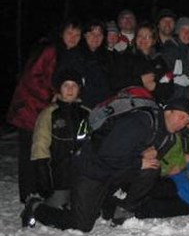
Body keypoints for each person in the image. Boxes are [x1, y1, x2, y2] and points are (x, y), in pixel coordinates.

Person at [21, 97, 189, 231]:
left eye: (186, 121)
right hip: (91, 170)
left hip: (113, 173)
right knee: (81, 225)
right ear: (168, 111)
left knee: (152, 167)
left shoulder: (168, 137)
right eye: (181, 116)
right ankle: (36, 207)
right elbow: (108, 155)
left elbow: (143, 160)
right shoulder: (141, 121)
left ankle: (120, 209)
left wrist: (142, 159)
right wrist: (139, 161)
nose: (182, 123)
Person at [7, 19, 82, 203]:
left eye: (77, 35)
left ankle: (38, 191)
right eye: (70, 33)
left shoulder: (64, 53)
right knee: (30, 153)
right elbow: (31, 77)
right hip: (29, 109)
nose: (73, 38)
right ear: (61, 33)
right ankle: (28, 196)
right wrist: (52, 94)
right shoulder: (50, 50)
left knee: (41, 150)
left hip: (39, 108)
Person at [29, 70, 90, 208]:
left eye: (74, 85)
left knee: (86, 211)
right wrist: (43, 176)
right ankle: (35, 207)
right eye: (66, 85)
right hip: (58, 177)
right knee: (59, 209)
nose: (70, 89)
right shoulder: (50, 113)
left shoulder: (86, 113)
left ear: (79, 89)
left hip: (81, 177)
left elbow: (92, 143)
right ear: (59, 89)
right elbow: (40, 146)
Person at [160, 16, 189, 99]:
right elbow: (168, 76)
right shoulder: (170, 48)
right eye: (183, 30)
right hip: (172, 99)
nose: (187, 33)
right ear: (178, 32)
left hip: (183, 97)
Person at [78, 19, 112, 108]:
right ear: (85, 35)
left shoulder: (109, 57)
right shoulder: (75, 55)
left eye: (99, 34)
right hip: (81, 106)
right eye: (92, 33)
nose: (95, 37)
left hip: (103, 107)